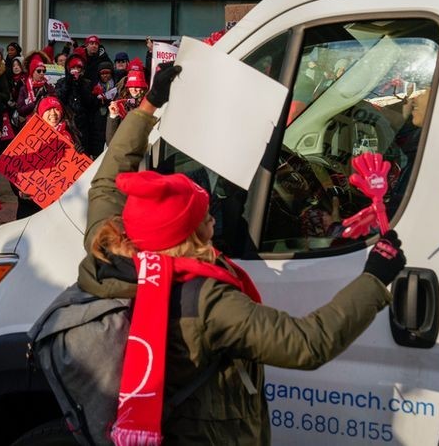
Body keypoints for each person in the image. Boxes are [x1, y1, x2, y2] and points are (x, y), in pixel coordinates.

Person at [58, 64, 406, 444]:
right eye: (205, 218)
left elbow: (108, 179)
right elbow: (308, 344)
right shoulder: (206, 299)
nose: (213, 221)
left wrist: (149, 105)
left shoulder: (108, 248)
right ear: (190, 234)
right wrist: (374, 279)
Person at [15, 96, 83, 220]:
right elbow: (15, 167)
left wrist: (79, 153)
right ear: (41, 113)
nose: (53, 113)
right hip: (31, 205)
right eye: (48, 109)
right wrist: (19, 190)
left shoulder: (71, 134)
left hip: (61, 205)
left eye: (56, 109)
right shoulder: (29, 134)